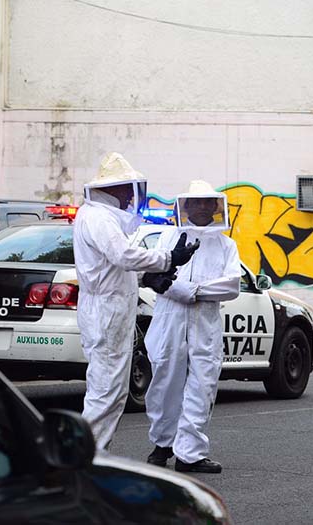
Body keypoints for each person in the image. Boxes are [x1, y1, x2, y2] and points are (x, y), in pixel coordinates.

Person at [73, 152, 199, 450]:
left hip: (106, 309)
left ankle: (92, 454)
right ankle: (86, 457)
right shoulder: (99, 218)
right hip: (107, 312)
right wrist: (167, 258)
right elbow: (123, 256)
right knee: (106, 392)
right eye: (126, 188)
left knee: (110, 390)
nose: (130, 196)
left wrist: (148, 278)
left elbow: (111, 269)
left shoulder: (97, 216)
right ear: (114, 187)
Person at [144, 180, 241, 474]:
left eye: (206, 202)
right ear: (185, 205)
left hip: (205, 324)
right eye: (195, 202)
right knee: (164, 383)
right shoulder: (168, 237)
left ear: (215, 206)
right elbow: (153, 275)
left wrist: (190, 291)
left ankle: (190, 454)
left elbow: (231, 285)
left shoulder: (226, 245)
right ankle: (162, 444)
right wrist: (167, 285)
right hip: (169, 321)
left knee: (202, 385)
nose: (201, 207)